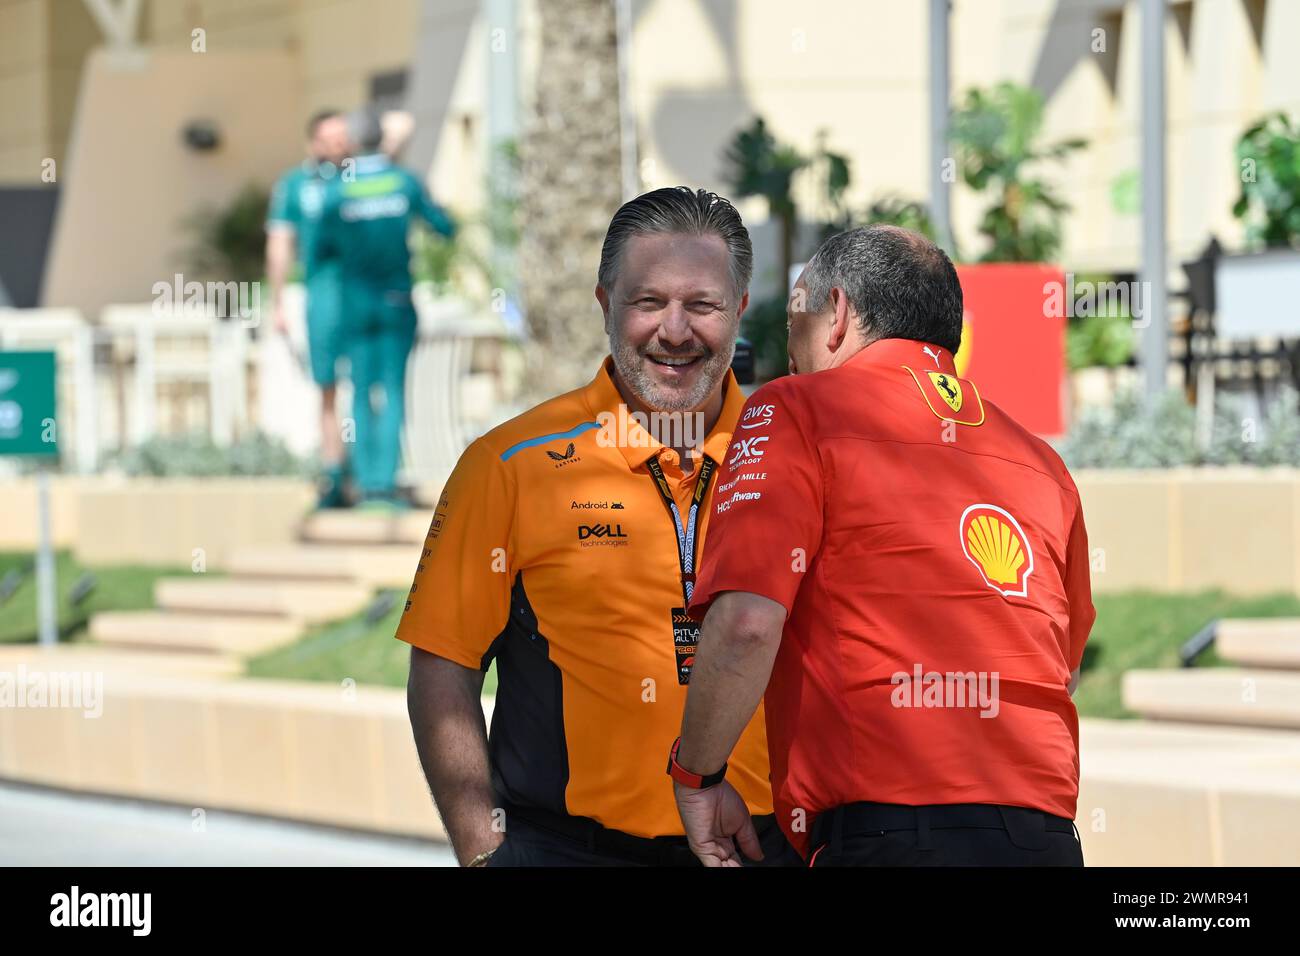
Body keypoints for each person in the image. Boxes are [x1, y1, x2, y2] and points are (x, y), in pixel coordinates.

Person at [670, 225, 1095, 867]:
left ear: (836, 315)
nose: (789, 355)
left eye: (795, 322)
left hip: (885, 834)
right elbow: (1061, 660)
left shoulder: (792, 409)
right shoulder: (1043, 463)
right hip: (1045, 838)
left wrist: (696, 777)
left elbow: (750, 624)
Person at [398, 187, 799, 867]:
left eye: (701, 305)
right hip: (569, 849)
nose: (675, 332)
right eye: (648, 303)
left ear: (737, 311)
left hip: (767, 849)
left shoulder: (798, 458)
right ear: (605, 305)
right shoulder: (510, 465)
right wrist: (483, 851)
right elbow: (445, 666)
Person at [311, 109, 455, 507]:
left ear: (354, 143)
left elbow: (319, 248)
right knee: (392, 389)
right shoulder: (403, 182)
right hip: (396, 300)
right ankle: (386, 484)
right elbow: (443, 226)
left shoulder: (339, 189)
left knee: (359, 389)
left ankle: (367, 482)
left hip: (354, 303)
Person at [266, 109, 353, 508]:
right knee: (327, 387)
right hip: (323, 299)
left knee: (369, 385)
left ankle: (370, 474)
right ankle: (333, 471)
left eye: (344, 137)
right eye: (331, 138)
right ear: (313, 143)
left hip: (364, 297)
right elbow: (280, 243)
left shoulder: (363, 176)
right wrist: (278, 300)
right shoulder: (296, 185)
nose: (339, 145)